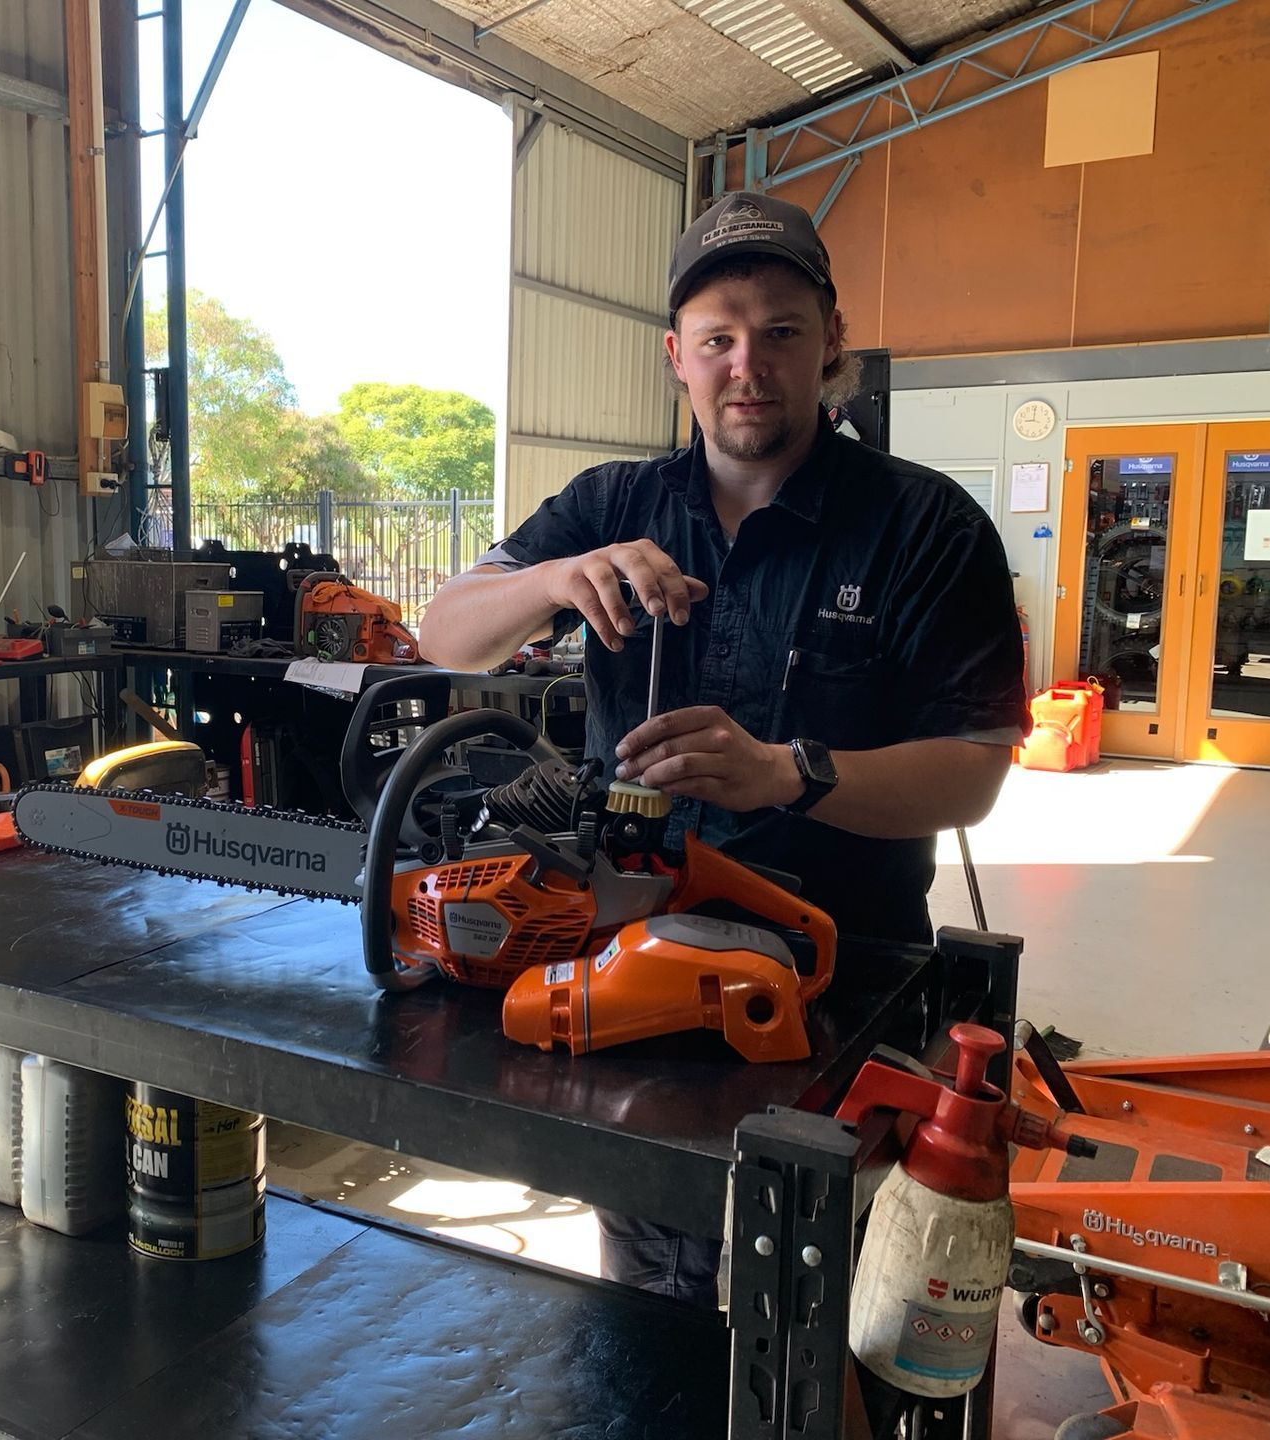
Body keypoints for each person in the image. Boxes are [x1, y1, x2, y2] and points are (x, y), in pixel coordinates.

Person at [416, 190, 1028, 1303]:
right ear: (677, 358)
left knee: (809, 1314)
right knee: (648, 1290)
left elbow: (975, 768)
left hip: (840, 990)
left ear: (830, 344)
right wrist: (556, 578)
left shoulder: (926, 529)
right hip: (628, 969)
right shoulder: (613, 503)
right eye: (719, 339)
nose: (750, 364)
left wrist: (787, 773)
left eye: (782, 332)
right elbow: (443, 629)